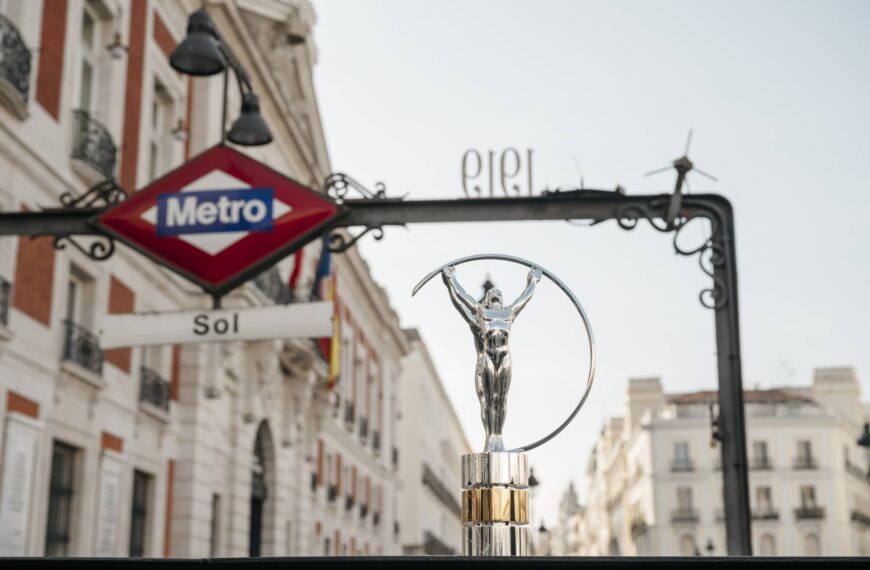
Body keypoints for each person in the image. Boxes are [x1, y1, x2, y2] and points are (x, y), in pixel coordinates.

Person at [442, 265, 543, 451]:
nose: (496, 295)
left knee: (501, 399)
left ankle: (499, 436)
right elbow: (462, 297)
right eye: (493, 295)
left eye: (499, 295)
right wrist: (451, 280)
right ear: (487, 300)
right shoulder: (482, 314)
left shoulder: (508, 313)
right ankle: (490, 437)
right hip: (488, 357)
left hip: (504, 358)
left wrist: (533, 281)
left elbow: (524, 298)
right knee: (489, 400)